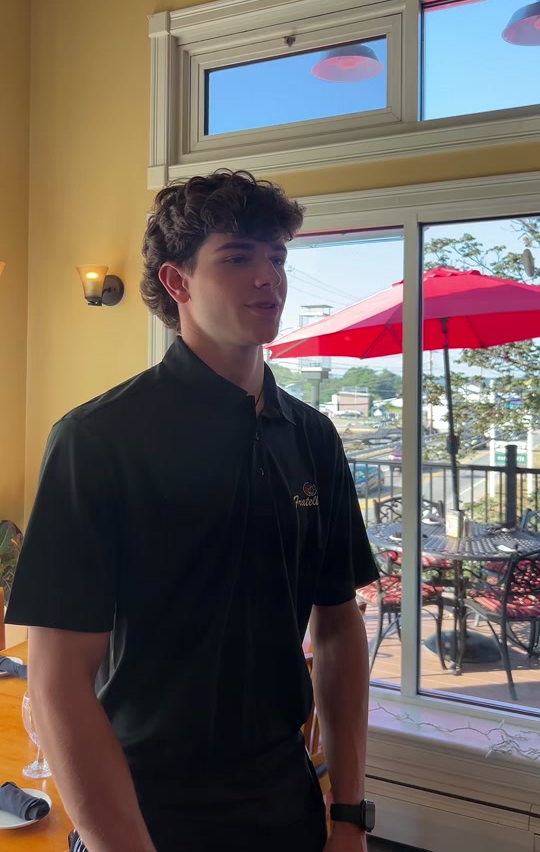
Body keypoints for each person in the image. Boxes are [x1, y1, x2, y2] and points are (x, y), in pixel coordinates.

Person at [7, 170, 378, 852]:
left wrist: (350, 814)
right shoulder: (99, 439)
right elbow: (58, 680)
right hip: (141, 810)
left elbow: (337, 628)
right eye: (238, 257)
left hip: (287, 805)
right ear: (177, 282)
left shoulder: (311, 436)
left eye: (277, 258)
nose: (269, 278)